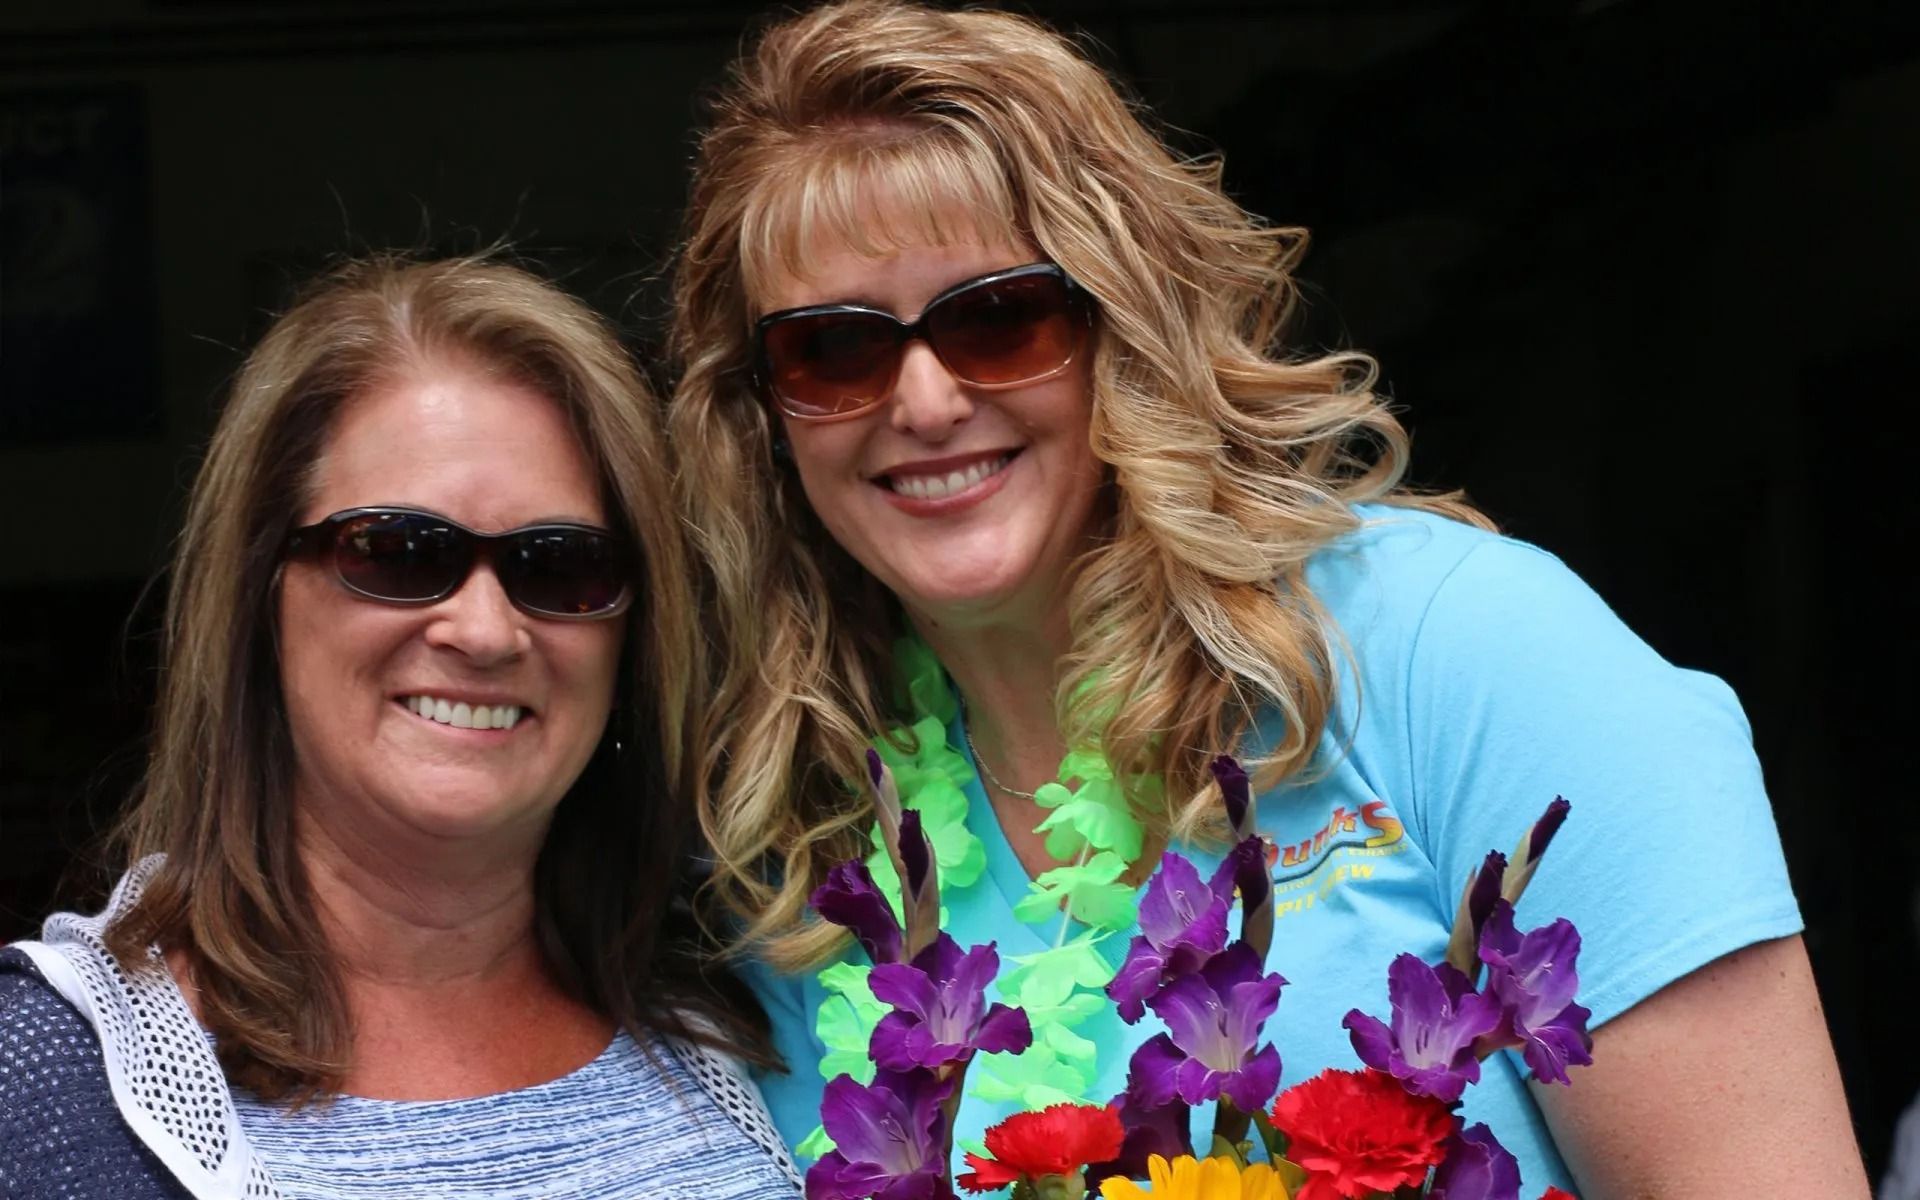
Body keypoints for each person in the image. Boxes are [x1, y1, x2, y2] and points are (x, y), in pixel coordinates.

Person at [666, 2, 1868, 1196]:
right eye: (834, 349)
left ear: (1127, 327)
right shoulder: (800, 845)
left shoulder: (1464, 650)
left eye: (999, 319)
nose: (924, 403)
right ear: (762, 414)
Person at [0, 255, 801, 1200]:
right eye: (398, 552)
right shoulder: (41, 1080)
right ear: (259, 598)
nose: (485, 631)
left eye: (561, 566)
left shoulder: (761, 999)